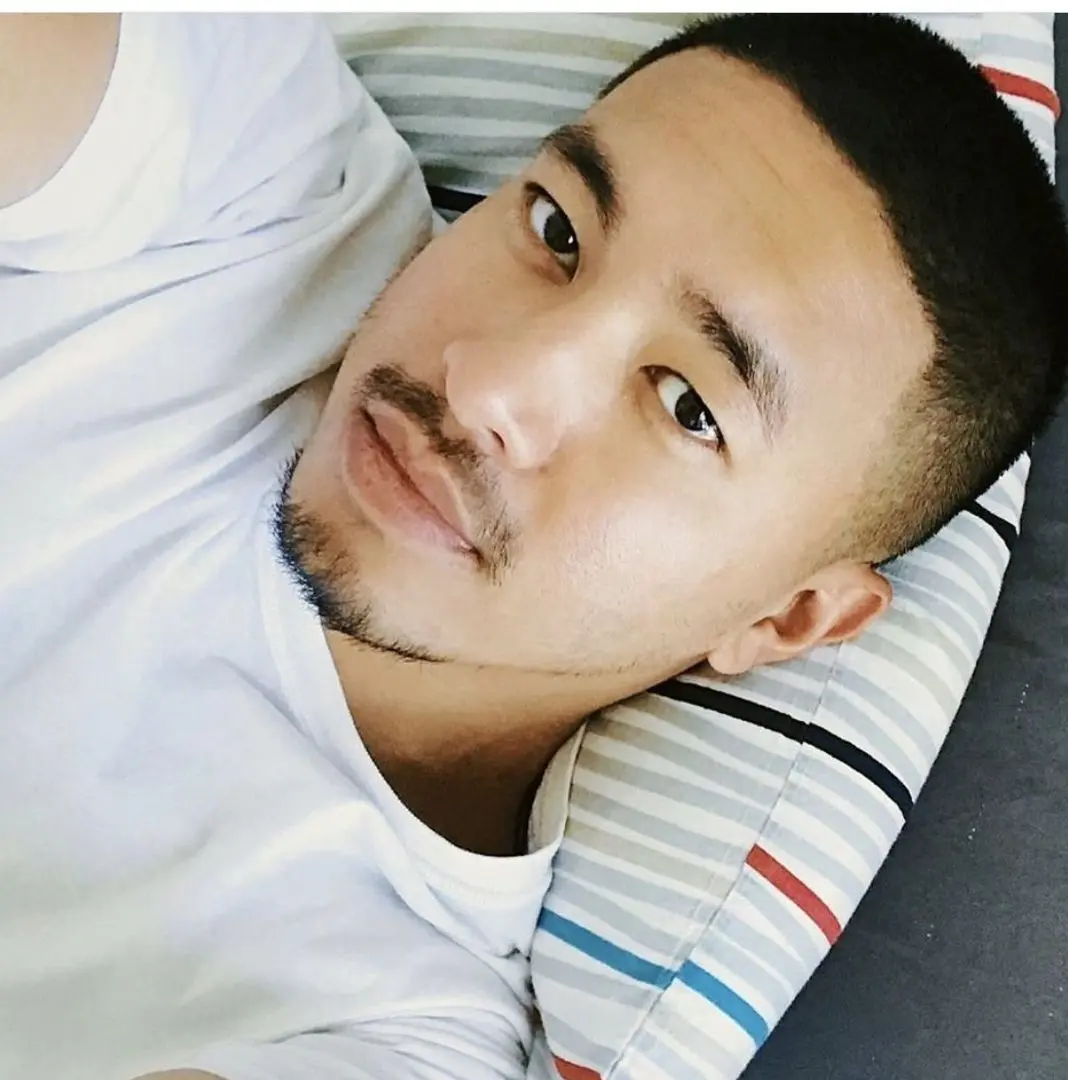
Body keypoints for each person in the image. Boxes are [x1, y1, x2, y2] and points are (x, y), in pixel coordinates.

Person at [0, 12, 1064, 1080]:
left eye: (688, 406)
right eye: (558, 231)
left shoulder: (386, 1034)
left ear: (786, 617)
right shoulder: (263, 186)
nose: (487, 383)